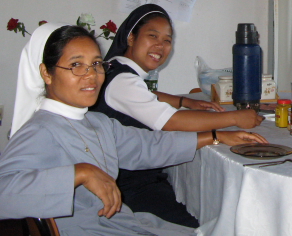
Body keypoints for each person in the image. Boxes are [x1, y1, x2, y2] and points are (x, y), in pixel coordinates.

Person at [0, 24, 266, 235]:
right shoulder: (40, 131)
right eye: (76, 65)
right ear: (47, 73)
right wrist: (79, 173)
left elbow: (148, 146)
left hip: (117, 225)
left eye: (95, 64)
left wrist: (216, 136)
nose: (91, 74)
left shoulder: (96, 122)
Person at [90, 4, 264, 226]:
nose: (160, 46)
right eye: (152, 36)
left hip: (126, 177)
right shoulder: (124, 81)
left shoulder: (114, 67)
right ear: (131, 37)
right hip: (125, 189)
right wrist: (235, 118)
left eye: (167, 40)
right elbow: (172, 121)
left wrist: (184, 101)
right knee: (202, 225)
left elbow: (146, 95)